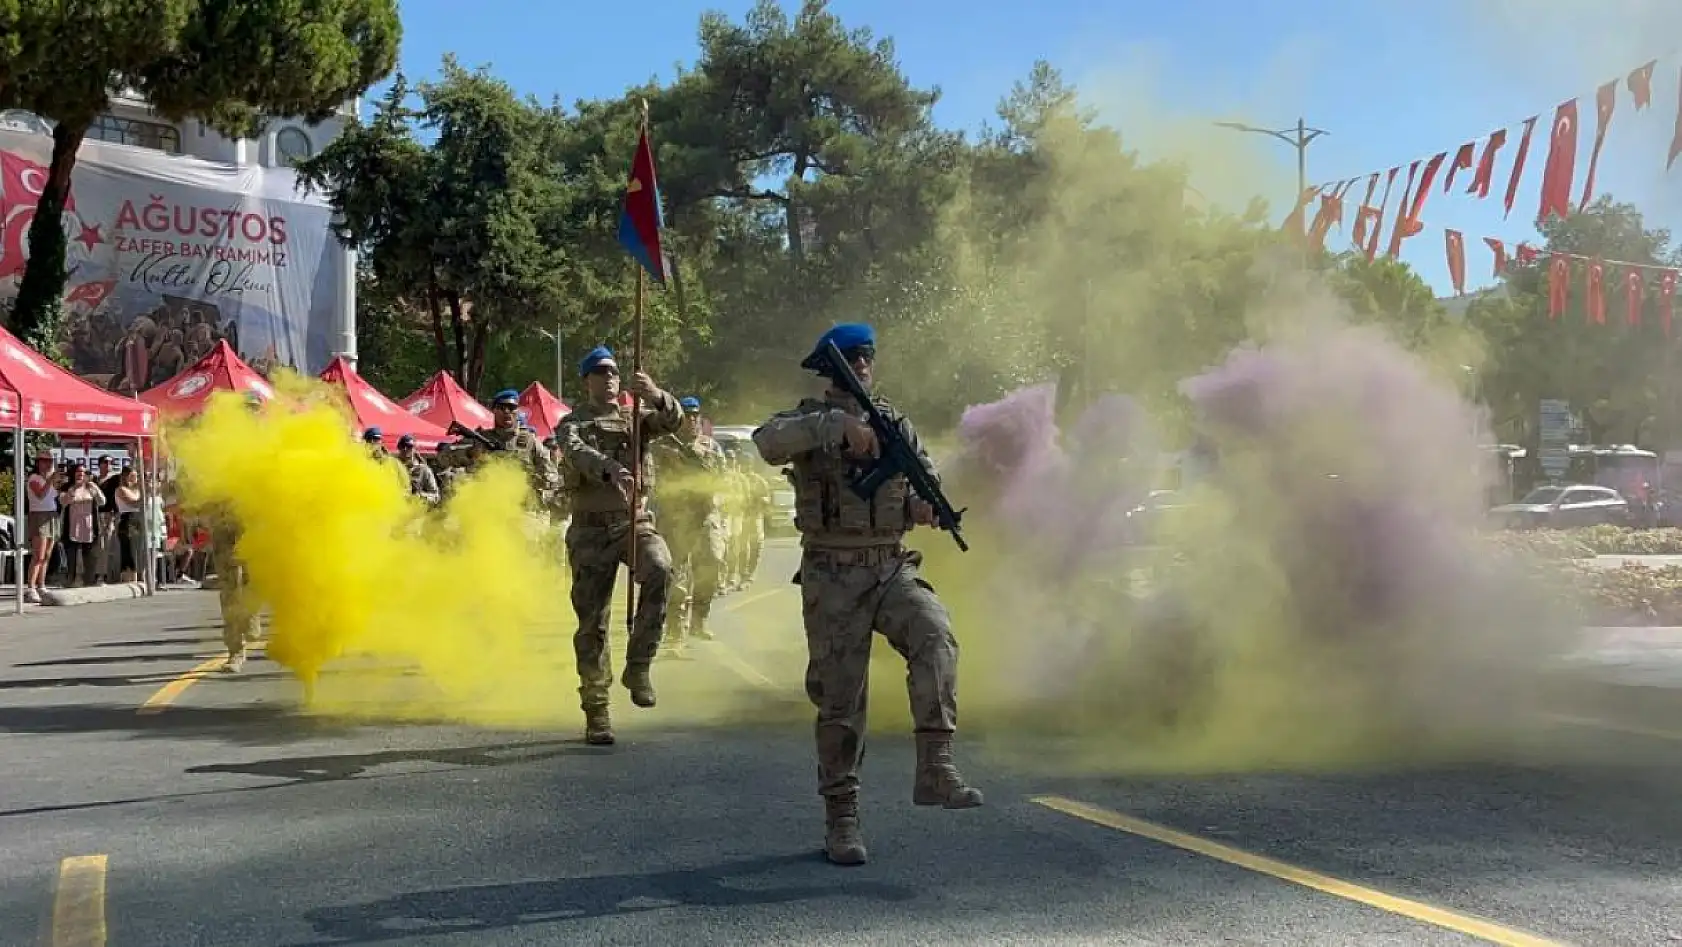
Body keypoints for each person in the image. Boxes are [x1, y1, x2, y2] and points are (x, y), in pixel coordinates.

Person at [752, 322, 982, 867]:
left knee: (936, 635)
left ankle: (935, 767)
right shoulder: (807, 419)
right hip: (832, 572)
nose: (862, 366)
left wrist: (924, 510)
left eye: (868, 358)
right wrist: (833, 426)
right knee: (841, 700)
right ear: (832, 368)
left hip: (890, 565)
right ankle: (842, 816)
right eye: (852, 358)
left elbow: (921, 480)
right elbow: (766, 442)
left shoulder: (896, 424)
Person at [557, 345, 684, 745]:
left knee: (660, 567)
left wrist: (655, 394)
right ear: (587, 380)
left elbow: (674, 421)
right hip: (590, 530)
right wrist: (610, 469)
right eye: (600, 372)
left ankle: (639, 664)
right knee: (592, 622)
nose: (609, 377)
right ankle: (596, 708)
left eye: (613, 372)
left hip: (632, 522)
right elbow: (576, 452)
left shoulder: (636, 420)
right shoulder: (571, 423)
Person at [652, 396, 728, 652]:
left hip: (706, 513)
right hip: (676, 517)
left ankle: (700, 618)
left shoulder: (711, 447)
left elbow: (721, 477)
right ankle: (675, 631)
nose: (693, 419)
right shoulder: (662, 446)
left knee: (714, 561)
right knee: (677, 575)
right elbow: (653, 478)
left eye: (696, 414)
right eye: (688, 414)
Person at [394, 434, 441, 504]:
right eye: (402, 446)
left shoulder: (424, 470)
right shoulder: (393, 467)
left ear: (414, 448)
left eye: (409, 446)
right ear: (399, 448)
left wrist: (419, 496)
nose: (405, 449)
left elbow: (436, 496)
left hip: (416, 510)